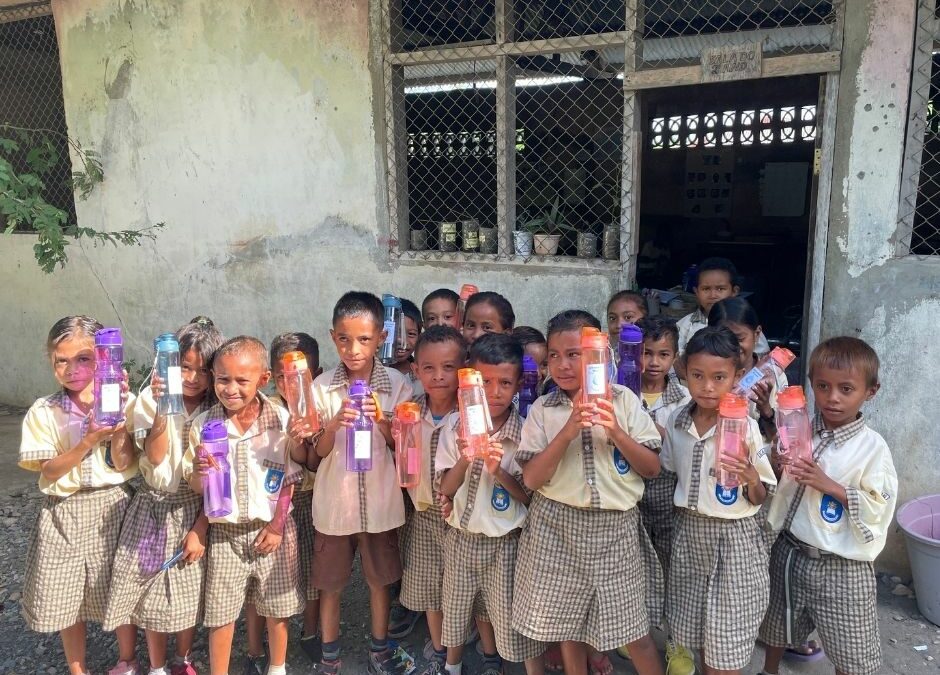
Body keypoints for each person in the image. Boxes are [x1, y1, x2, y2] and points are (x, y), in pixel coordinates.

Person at [513, 310, 665, 675]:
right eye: (554, 355)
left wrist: (616, 431)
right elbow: (531, 480)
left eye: (574, 354)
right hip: (556, 529)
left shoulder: (625, 401)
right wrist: (567, 431)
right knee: (568, 626)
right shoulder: (542, 410)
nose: (562, 365)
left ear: (599, 357)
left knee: (634, 630)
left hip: (616, 530)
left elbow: (652, 468)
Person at [758, 337, 897, 675]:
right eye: (823, 386)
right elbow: (777, 479)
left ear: (870, 391)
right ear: (811, 385)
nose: (832, 398)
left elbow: (879, 506)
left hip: (841, 567)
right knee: (778, 622)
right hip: (790, 551)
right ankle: (769, 670)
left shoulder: (872, 448)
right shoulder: (799, 427)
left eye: (846, 389)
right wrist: (775, 461)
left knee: (850, 645)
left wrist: (828, 485)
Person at [20, 316, 139, 675]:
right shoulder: (44, 410)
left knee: (117, 585)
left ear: (104, 357)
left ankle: (127, 659)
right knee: (65, 594)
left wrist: (117, 428)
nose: (72, 369)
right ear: (52, 363)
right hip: (63, 511)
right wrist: (87, 440)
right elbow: (49, 470)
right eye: (61, 360)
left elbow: (122, 463)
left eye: (83, 358)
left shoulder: (124, 401)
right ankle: (77, 668)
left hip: (112, 504)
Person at [104, 318, 224, 675]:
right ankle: (156, 665)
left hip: (194, 507)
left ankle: (181, 657)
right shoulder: (149, 400)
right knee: (151, 588)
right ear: (170, 365)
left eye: (203, 370)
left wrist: (201, 527)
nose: (192, 377)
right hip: (153, 509)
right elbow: (155, 457)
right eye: (184, 367)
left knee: (188, 589)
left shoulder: (216, 412)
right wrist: (161, 408)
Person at [662, 327, 777, 675]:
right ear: (684, 370)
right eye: (698, 376)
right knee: (695, 630)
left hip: (736, 541)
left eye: (719, 377)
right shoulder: (676, 421)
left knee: (726, 644)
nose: (708, 387)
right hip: (690, 537)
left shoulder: (746, 429)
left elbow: (760, 497)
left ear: (737, 377)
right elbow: (668, 471)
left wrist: (750, 477)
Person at [188, 336, 305, 675]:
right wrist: (199, 473)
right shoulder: (204, 425)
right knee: (221, 614)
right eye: (223, 379)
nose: (231, 389)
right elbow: (198, 487)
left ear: (263, 380)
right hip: (224, 534)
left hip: (271, 532)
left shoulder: (280, 420)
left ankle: (277, 667)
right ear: (213, 377)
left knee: (276, 607)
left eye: (242, 380)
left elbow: (290, 477)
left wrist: (277, 525)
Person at [311, 291, 413, 674]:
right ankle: (330, 656)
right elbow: (317, 452)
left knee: (380, 581)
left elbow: (405, 447)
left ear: (381, 338)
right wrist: (334, 423)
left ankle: (379, 648)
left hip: (381, 504)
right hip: (334, 506)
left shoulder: (398, 385)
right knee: (330, 584)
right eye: (344, 339)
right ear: (333, 336)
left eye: (364, 340)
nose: (353, 349)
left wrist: (383, 421)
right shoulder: (322, 388)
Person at [433, 333, 545, 675]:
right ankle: (452, 666)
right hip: (461, 540)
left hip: (506, 544)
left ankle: (527, 668)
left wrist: (498, 472)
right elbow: (446, 489)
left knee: (511, 615)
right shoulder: (454, 427)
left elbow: (529, 496)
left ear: (518, 385)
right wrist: (467, 458)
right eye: (484, 382)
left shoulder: (526, 432)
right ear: (469, 380)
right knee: (456, 609)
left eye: (505, 383)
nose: (494, 392)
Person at [397, 326, 466, 670]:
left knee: (458, 586)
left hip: (462, 520)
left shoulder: (470, 414)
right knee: (429, 585)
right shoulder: (409, 412)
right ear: (416, 369)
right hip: (423, 512)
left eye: (449, 367)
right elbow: (404, 462)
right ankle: (439, 647)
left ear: (464, 368)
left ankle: (462, 644)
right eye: (428, 368)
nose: (438, 377)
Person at [263, 332, 324, 668]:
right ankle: (261, 646)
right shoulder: (267, 411)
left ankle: (310, 632)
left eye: (302, 375)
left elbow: (314, 459)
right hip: (275, 506)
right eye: (284, 377)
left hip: (313, 500)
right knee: (274, 575)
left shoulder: (321, 409)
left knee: (314, 573)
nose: (293, 384)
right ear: (274, 379)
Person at [707, 297, 785, 438]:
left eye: (740, 339)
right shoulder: (705, 375)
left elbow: (784, 438)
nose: (733, 346)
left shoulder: (773, 374)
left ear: (756, 334)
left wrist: (766, 411)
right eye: (724, 338)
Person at [676, 258, 740, 358]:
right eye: (706, 289)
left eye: (720, 289)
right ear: (696, 292)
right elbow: (674, 360)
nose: (713, 295)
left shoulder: (744, 325)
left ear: (734, 291)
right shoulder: (684, 325)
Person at [395, 298, 424, 396]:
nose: (401, 341)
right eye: (394, 332)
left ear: (419, 337)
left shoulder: (421, 376)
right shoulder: (372, 371)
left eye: (411, 334)